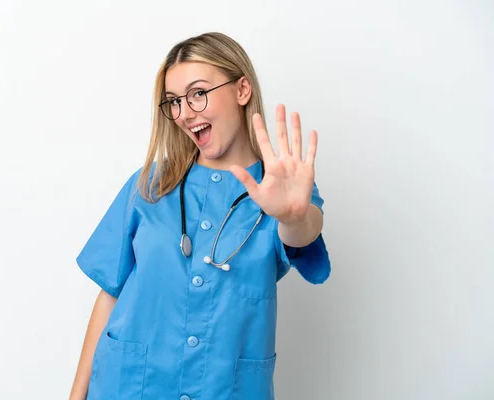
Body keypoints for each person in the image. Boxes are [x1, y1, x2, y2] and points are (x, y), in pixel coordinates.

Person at [69, 31, 331, 400]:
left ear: (242, 90)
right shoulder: (149, 185)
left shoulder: (281, 188)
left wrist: (291, 216)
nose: (184, 113)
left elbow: (302, 231)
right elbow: (110, 295)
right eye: (174, 101)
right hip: (128, 387)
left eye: (198, 93)